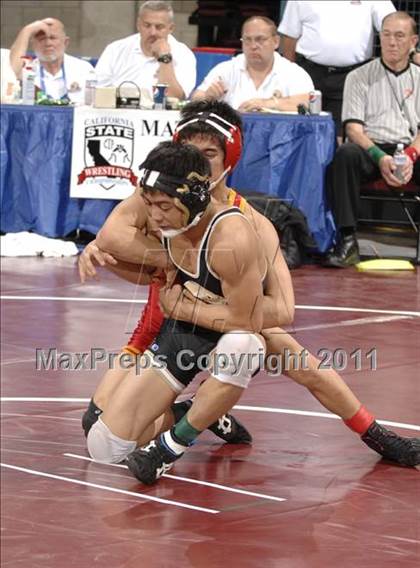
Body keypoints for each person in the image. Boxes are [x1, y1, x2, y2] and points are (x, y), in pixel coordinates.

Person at [79, 100, 420, 482]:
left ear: (230, 157)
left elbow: (283, 310)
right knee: (97, 428)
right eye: (191, 152)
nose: (199, 163)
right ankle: (203, 410)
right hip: (163, 328)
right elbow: (111, 237)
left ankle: (378, 435)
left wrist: (197, 294)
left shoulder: (249, 225)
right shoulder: (165, 195)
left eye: (209, 154)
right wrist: (164, 259)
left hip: (227, 318)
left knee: (285, 357)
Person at [85, 140, 268, 474]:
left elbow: (248, 320)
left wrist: (181, 309)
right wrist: (102, 258)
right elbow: (137, 263)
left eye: (163, 206)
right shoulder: (172, 216)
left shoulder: (233, 236)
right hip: (182, 333)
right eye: (149, 204)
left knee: (245, 347)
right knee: (103, 447)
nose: (154, 216)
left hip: (226, 331)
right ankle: (195, 412)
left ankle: (173, 444)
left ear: (194, 196)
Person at [323, 11, 420, 268]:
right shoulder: (358, 76)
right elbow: (354, 129)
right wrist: (381, 157)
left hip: (410, 148)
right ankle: (347, 239)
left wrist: (409, 157)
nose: (392, 42)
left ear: (413, 42)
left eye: (400, 36)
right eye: (386, 35)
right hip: (371, 148)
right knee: (345, 155)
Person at [279, 0, 395, 135]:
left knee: (345, 135)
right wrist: (290, 74)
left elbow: (394, 25)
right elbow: (289, 36)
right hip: (308, 75)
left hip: (353, 77)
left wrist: (412, 53)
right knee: (302, 132)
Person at [191, 16, 313, 112]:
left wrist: (268, 104)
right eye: (248, 40)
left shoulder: (292, 72)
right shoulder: (227, 69)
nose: (253, 46)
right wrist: (207, 97)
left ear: (276, 42)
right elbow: (195, 99)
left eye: (260, 39)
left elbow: (309, 102)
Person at [95, 0, 196, 100]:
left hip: (161, 115)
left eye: (159, 27)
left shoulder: (184, 55)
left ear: (171, 28)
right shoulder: (115, 50)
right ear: (138, 25)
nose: (152, 32)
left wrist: (165, 58)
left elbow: (174, 98)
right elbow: (96, 91)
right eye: (147, 26)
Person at [9, 18, 94, 104]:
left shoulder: (84, 69)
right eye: (41, 39)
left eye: (53, 38)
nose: (48, 43)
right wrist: (27, 30)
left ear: (66, 42)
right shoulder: (27, 70)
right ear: (33, 44)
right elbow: (11, 72)